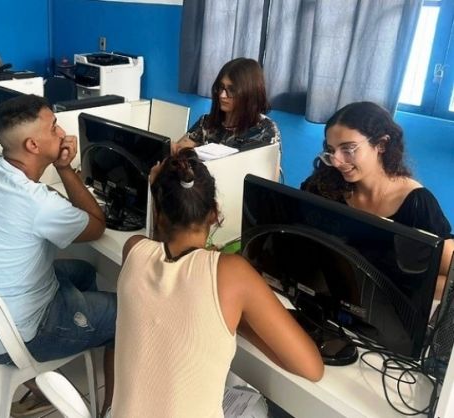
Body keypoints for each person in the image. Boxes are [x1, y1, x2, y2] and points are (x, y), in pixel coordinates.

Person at [113, 149, 324, 417]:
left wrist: (155, 192)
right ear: (214, 213)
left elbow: (158, 249)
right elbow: (312, 368)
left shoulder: (133, 249)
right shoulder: (232, 273)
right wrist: (237, 320)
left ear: (158, 213)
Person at [0, 95, 115, 417]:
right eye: (54, 127)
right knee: (128, 312)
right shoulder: (37, 203)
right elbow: (96, 225)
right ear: (32, 145)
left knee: (84, 271)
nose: (62, 132)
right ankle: (112, 410)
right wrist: (65, 168)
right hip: (18, 334)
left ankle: (80, 337)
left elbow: (41, 204)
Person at [301, 101, 453, 300]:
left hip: (384, 305)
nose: (337, 161)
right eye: (332, 150)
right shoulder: (323, 186)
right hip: (329, 295)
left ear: (381, 144)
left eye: (348, 149)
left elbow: (449, 273)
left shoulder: (417, 203)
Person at [172, 57, 280, 155]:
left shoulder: (265, 130)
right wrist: (174, 149)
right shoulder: (206, 122)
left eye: (231, 90)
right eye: (221, 87)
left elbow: (269, 170)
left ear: (249, 93)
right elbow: (178, 150)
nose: (222, 95)